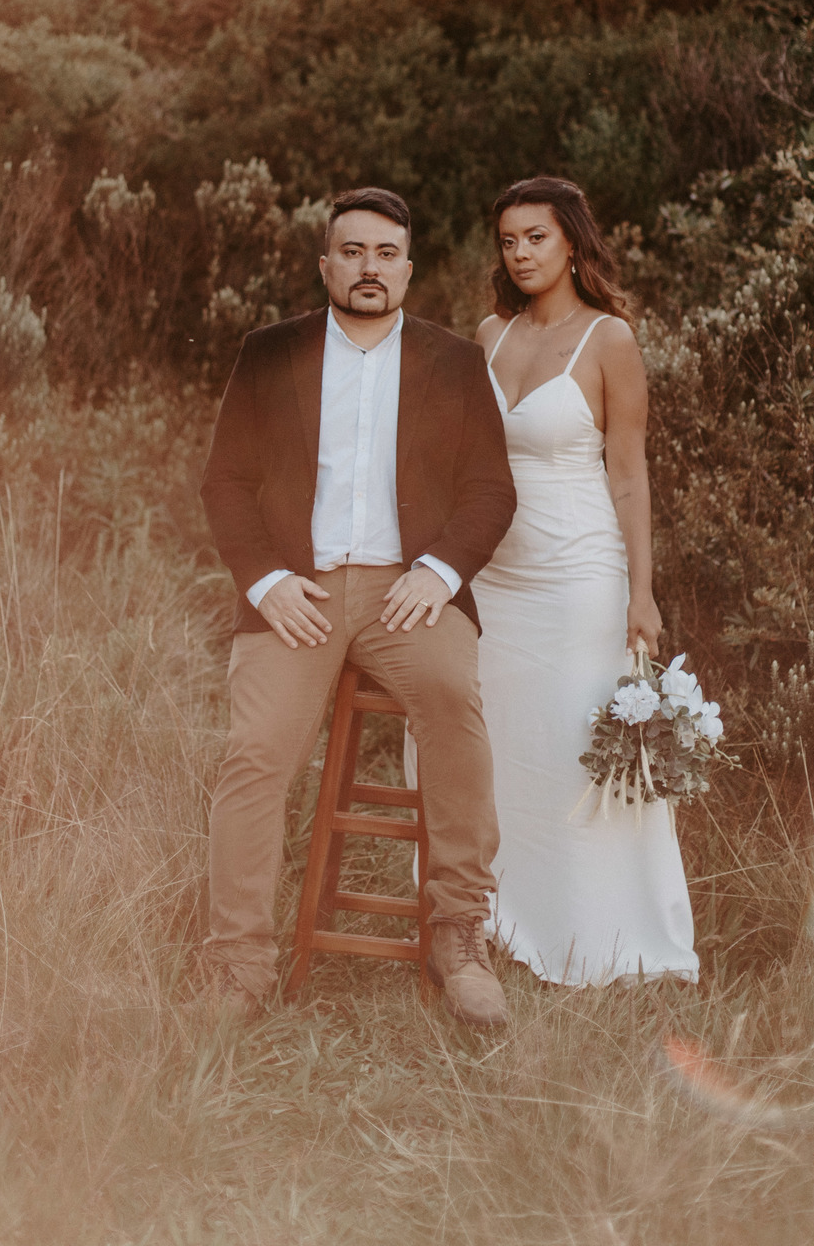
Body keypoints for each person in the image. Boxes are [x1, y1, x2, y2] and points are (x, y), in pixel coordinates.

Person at [199, 187, 518, 1028]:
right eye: (352, 252)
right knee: (255, 751)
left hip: (406, 591)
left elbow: (490, 490)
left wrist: (439, 572)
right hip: (296, 591)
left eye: (385, 254)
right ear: (325, 265)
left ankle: (458, 938)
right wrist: (266, 581)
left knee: (454, 704)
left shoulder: (454, 362)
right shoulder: (270, 352)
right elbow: (224, 482)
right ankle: (238, 964)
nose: (368, 268)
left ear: (408, 269)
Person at [468, 175, 698, 985]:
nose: (521, 253)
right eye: (509, 240)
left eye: (536, 237)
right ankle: (498, 921)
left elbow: (629, 474)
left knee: (572, 748)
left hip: (578, 576)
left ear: (571, 242)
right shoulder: (489, 334)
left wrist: (642, 591)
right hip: (494, 582)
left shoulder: (610, 340)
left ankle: (599, 933)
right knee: (501, 748)